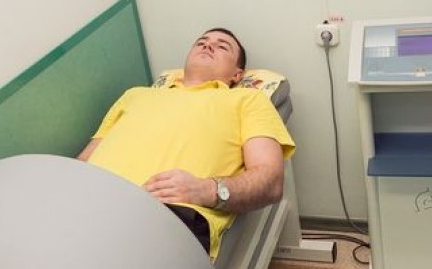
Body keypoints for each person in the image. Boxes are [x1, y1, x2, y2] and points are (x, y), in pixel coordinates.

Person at [77, 28, 295, 260]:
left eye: (222, 46)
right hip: (89, 200)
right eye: (201, 42)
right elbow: (84, 160)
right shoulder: (135, 95)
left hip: (164, 212)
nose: (208, 45)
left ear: (237, 75)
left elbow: (270, 180)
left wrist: (207, 190)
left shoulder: (248, 100)